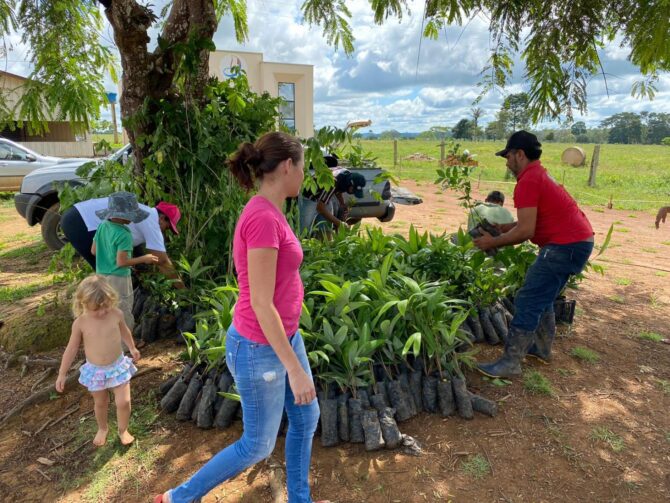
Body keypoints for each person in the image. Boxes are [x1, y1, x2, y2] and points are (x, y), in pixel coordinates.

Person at [154, 132, 328, 503]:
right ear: (286, 166)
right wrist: (294, 370)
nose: (304, 173)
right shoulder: (263, 217)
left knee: (305, 417)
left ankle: (300, 500)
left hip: (284, 337)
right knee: (257, 446)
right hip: (259, 346)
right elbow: (263, 304)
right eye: (303, 165)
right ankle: (180, 497)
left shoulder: (271, 210)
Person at [473, 130, 594, 377]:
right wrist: (504, 229)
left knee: (528, 298)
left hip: (565, 245)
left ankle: (510, 363)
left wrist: (491, 242)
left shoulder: (528, 180)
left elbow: (526, 231)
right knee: (544, 296)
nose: (506, 162)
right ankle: (540, 349)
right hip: (577, 242)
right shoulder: (538, 175)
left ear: (520, 154)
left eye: (508, 156)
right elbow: (531, 222)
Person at [56, 275, 141, 446]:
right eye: (96, 309)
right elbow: (71, 348)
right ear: (83, 304)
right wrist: (62, 373)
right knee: (100, 403)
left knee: (123, 401)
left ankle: (123, 430)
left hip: (118, 366)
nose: (102, 312)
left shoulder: (116, 314)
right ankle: (103, 428)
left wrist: (132, 347)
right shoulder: (80, 323)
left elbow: (124, 331)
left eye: (106, 307)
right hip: (96, 371)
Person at [60, 196, 183, 286]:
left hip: (75, 215)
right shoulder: (151, 221)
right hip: (80, 221)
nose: (164, 232)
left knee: (110, 269)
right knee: (108, 274)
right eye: (167, 227)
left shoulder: (141, 217)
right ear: (162, 218)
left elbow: (136, 251)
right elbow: (161, 261)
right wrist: (183, 290)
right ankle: (104, 311)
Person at [91, 191, 159, 330]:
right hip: (118, 279)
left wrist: (108, 254)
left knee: (107, 311)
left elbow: (94, 251)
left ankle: (109, 344)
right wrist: (144, 258)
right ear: (124, 216)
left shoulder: (103, 226)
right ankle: (125, 347)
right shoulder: (124, 234)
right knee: (123, 311)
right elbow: (121, 262)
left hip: (101, 276)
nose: (133, 219)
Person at [299, 156, 366, 237]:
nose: (353, 193)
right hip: (309, 198)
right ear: (350, 184)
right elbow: (320, 208)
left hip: (323, 198)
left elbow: (339, 190)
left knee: (326, 227)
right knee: (303, 230)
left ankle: (325, 244)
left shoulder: (346, 174)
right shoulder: (333, 182)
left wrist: (342, 204)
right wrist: (340, 224)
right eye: (353, 190)